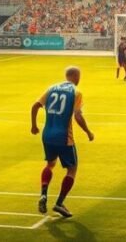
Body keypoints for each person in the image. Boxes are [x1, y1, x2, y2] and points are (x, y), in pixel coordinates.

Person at [31, 66, 94, 218]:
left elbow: (35, 105)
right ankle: (59, 203)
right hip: (64, 137)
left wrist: (34, 125)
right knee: (72, 169)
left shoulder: (51, 88)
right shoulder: (76, 92)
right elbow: (78, 116)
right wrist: (88, 131)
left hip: (47, 135)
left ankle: (43, 194)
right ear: (77, 77)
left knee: (50, 164)